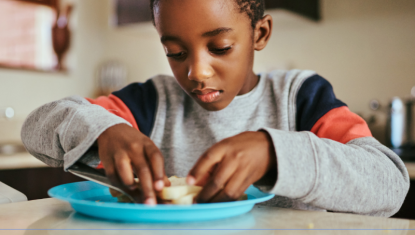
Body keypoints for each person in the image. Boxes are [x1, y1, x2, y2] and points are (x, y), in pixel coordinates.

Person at [21, 0, 409, 216]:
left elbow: (389, 185)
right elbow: (37, 129)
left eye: (220, 48)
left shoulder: (300, 96)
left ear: (260, 34)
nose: (196, 71)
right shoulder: (151, 101)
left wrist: (276, 153)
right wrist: (103, 130)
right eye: (175, 52)